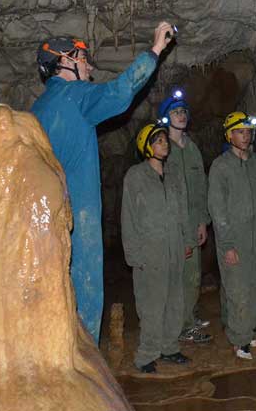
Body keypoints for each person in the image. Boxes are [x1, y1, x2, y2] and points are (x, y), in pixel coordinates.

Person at [31, 21, 175, 343]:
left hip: (43, 225)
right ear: (63, 61)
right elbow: (120, 92)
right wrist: (154, 51)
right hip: (77, 221)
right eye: (81, 57)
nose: (89, 65)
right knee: (85, 295)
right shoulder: (75, 96)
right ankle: (86, 372)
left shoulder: (36, 110)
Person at [121, 122, 194, 373]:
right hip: (149, 250)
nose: (165, 145)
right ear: (146, 146)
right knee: (151, 304)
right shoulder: (135, 176)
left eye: (165, 141)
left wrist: (187, 240)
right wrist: (133, 254)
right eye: (159, 141)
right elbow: (128, 217)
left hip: (174, 246)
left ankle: (169, 347)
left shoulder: (174, 174)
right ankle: (146, 354)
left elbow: (184, 210)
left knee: (175, 300)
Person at [207, 112, 256, 360]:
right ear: (229, 135)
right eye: (240, 131)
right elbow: (217, 208)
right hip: (234, 238)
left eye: (247, 132)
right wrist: (226, 245)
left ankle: (246, 331)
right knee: (237, 289)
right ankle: (239, 340)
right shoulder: (221, 166)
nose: (245, 136)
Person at [159, 89, 212, 344]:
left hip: (192, 222)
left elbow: (201, 187)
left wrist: (203, 220)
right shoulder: (161, 148)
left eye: (183, 112)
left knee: (192, 275)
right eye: (175, 112)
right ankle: (180, 325)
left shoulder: (192, 149)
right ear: (166, 117)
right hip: (171, 225)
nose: (180, 116)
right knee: (176, 277)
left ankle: (187, 317)